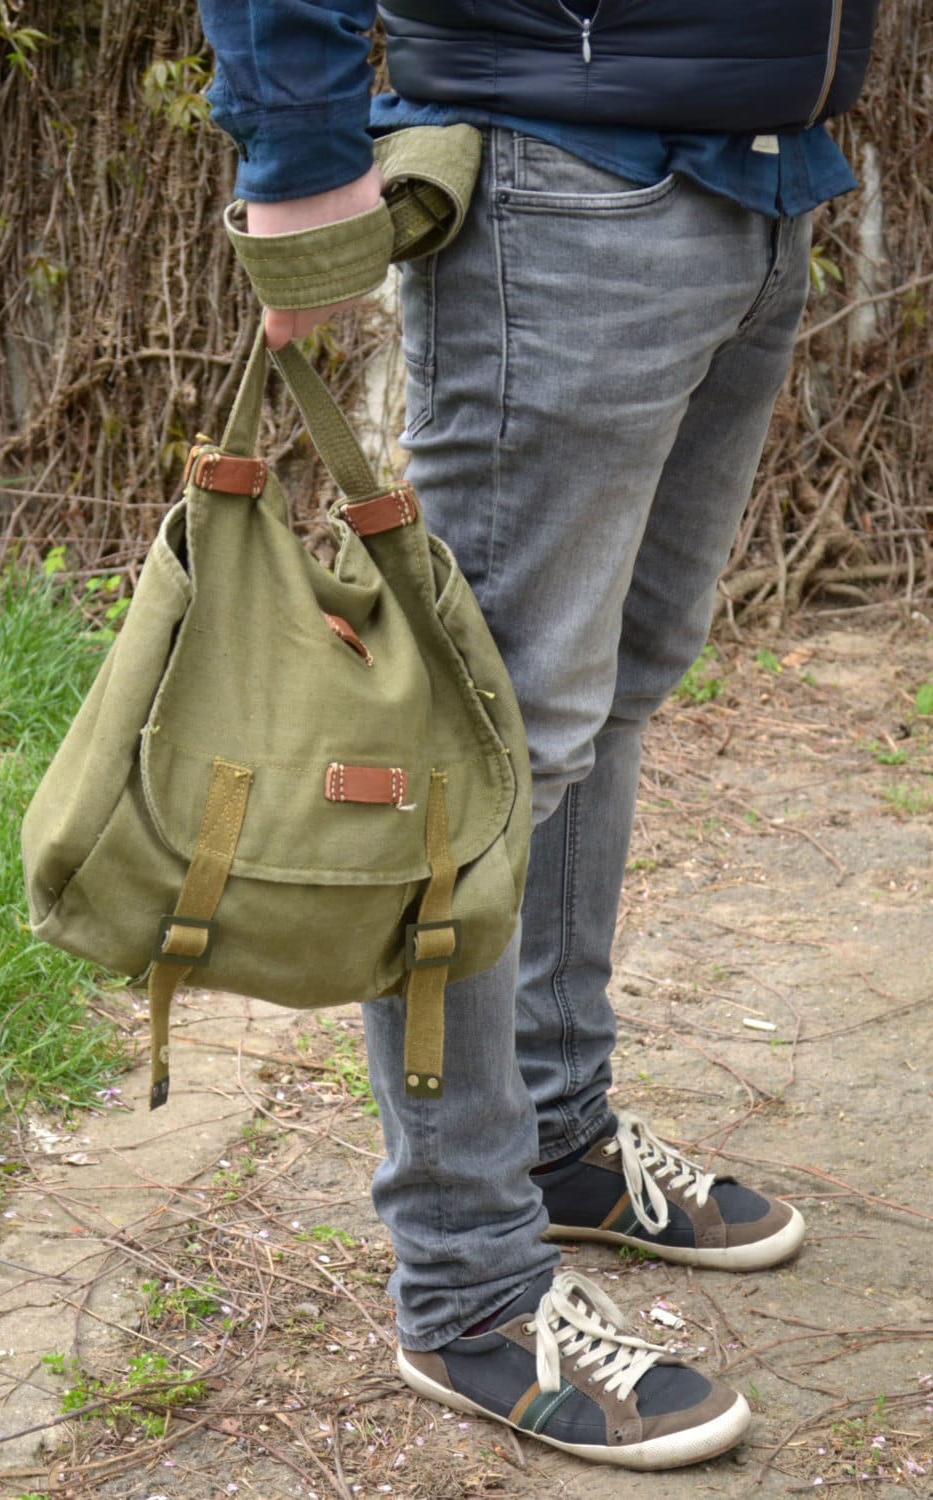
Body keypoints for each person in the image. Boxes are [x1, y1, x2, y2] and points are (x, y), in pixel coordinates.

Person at [195, 0, 881, 1470]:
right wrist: (302, 153)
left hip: (756, 175)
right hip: (566, 185)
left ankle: (558, 1140)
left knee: (600, 701)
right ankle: (467, 1290)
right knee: (475, 761)